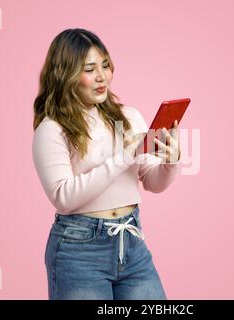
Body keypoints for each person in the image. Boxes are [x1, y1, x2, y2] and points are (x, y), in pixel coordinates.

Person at [32, 28, 181, 300]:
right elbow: (64, 198)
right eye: (89, 69)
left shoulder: (129, 116)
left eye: (105, 65)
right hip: (79, 251)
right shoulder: (52, 129)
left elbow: (152, 182)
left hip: (132, 244)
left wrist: (170, 162)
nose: (102, 77)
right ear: (65, 75)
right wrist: (125, 156)